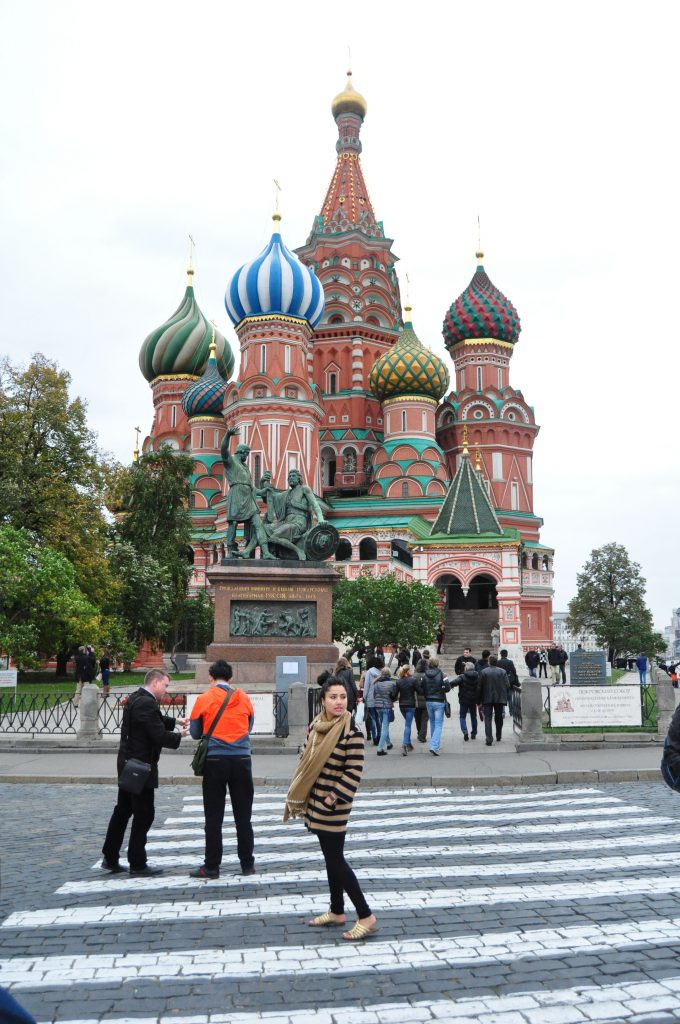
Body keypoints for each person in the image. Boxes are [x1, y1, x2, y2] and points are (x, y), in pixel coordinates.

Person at [284, 675, 377, 941]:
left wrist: (332, 796)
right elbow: (306, 755)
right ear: (323, 700)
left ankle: (365, 915)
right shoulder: (317, 726)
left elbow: (354, 771)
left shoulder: (351, 731)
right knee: (331, 858)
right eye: (333, 697)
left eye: (343, 697)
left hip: (332, 805)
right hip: (316, 801)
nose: (339, 702)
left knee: (336, 860)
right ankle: (337, 910)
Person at [101, 669, 188, 875]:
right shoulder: (146, 702)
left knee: (123, 811)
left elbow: (153, 719)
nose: (166, 690)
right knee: (144, 814)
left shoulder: (135, 697)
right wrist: (179, 735)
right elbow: (157, 735)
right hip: (140, 767)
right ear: (156, 682)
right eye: (165, 686)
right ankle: (137, 863)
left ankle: (110, 857)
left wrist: (175, 721)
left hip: (128, 764)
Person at [188, 660, 256, 878]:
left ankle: (212, 866)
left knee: (214, 817)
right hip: (242, 759)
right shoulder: (244, 697)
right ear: (230, 678)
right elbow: (249, 725)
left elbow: (196, 732)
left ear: (210, 677)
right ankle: (247, 864)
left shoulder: (204, 699)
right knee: (243, 816)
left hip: (215, 760)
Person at [221, 427, 273, 558]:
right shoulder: (231, 461)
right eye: (247, 454)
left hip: (249, 498)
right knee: (233, 522)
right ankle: (231, 549)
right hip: (237, 494)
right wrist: (228, 435)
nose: (247, 456)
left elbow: (251, 487)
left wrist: (262, 490)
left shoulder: (245, 467)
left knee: (258, 524)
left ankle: (265, 552)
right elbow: (223, 450)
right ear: (242, 452)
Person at [477, 655, 518, 746]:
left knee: (488, 718)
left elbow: (479, 686)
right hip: (499, 698)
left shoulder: (483, 672)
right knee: (499, 718)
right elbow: (507, 685)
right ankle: (498, 735)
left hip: (487, 698)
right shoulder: (502, 672)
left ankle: (489, 739)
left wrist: (478, 699)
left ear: (489, 662)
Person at [416, 655, 451, 756]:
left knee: (432, 723)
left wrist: (427, 692)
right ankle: (434, 746)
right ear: (437, 663)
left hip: (428, 701)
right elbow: (448, 688)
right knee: (439, 724)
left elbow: (421, 688)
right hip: (439, 701)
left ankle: (436, 744)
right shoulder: (442, 674)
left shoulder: (425, 675)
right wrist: (441, 688)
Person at [450, 659, 479, 741]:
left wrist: (449, 686)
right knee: (474, 716)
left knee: (462, 716)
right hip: (474, 700)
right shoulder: (478, 675)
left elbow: (453, 682)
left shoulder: (462, 676)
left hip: (464, 699)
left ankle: (465, 731)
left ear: (466, 668)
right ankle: (474, 734)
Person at [373, 667, 397, 755]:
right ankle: (380, 749)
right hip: (387, 707)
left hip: (378, 707)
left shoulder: (376, 684)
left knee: (384, 726)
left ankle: (389, 743)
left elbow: (374, 696)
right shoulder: (392, 684)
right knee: (385, 727)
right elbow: (394, 696)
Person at [395, 664, 417, 755]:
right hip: (411, 705)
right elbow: (419, 690)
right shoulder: (413, 680)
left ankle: (408, 743)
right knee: (408, 725)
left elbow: (395, 694)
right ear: (408, 671)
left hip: (402, 705)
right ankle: (405, 744)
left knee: (407, 724)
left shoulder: (399, 681)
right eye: (411, 670)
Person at [362, 656, 381, 745]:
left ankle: (374, 737)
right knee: (378, 719)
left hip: (370, 698)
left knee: (372, 718)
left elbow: (366, 686)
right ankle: (380, 736)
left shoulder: (369, 672)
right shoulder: (381, 672)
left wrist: (364, 697)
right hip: (379, 698)